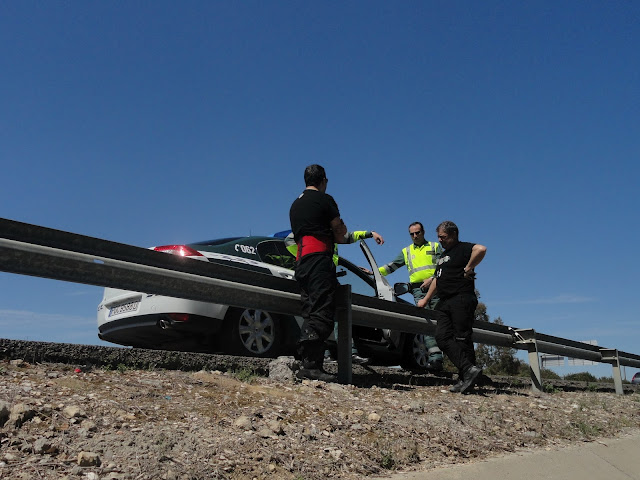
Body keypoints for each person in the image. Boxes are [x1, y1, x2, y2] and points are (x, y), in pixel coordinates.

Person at [284, 229, 384, 365]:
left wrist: (370, 234)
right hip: (317, 275)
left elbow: (348, 236)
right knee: (321, 314)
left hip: (328, 275)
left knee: (337, 314)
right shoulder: (311, 228)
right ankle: (334, 354)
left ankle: (346, 353)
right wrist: (308, 257)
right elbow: (288, 240)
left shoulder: (329, 231)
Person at [289, 164, 348, 381]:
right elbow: (340, 234)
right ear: (324, 180)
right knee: (322, 310)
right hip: (319, 259)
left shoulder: (295, 205)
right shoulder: (325, 200)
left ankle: (310, 365)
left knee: (310, 309)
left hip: (301, 260)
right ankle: (312, 365)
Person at [417, 221, 487, 393]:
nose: (440, 240)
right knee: (441, 337)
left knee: (462, 339)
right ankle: (469, 370)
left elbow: (481, 249)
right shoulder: (443, 256)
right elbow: (437, 280)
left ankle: (466, 379)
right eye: (439, 237)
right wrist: (426, 299)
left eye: (443, 237)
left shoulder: (463, 248)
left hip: (461, 298)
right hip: (444, 301)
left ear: (454, 234)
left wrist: (469, 268)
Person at [378, 221, 444, 371]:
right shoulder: (407, 251)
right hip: (418, 290)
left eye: (417, 233)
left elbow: (442, 266)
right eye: (412, 234)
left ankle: (440, 356)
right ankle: (435, 359)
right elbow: (393, 266)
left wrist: (433, 279)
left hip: (437, 288)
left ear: (423, 232)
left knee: (440, 322)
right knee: (426, 322)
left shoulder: (434, 246)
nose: (415, 236)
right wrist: (374, 271)